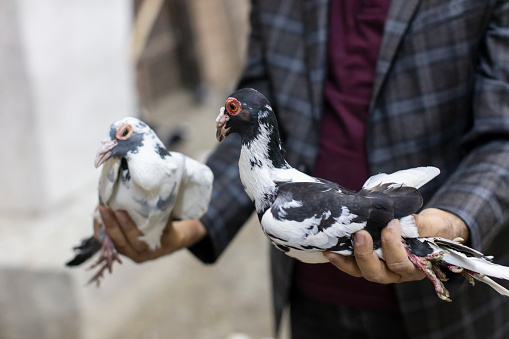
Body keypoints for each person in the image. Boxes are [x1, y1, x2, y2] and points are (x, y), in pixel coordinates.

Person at [96, 1, 509, 338]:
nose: (223, 115)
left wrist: (453, 220)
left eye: (230, 110)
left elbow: (503, 134)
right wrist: (193, 220)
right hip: (311, 293)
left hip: (439, 309)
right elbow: (265, 93)